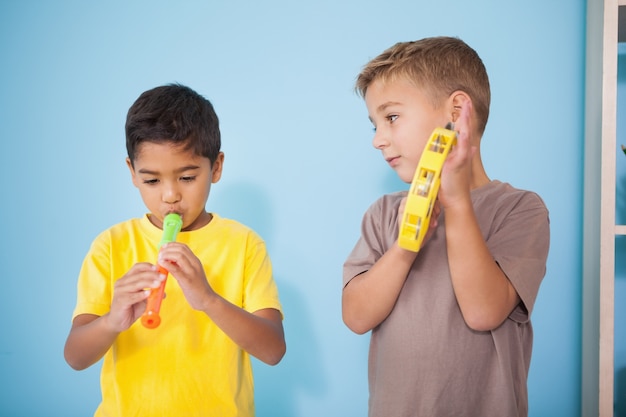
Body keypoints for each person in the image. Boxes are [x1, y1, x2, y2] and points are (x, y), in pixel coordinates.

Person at [342, 37, 550, 417]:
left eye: (391, 117)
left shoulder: (520, 209)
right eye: (374, 123)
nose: (377, 139)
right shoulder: (384, 215)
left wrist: (456, 203)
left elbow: (484, 312)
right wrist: (405, 247)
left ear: (456, 112)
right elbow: (356, 316)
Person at [64, 84, 286, 417]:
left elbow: (273, 350)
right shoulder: (111, 245)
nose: (169, 196)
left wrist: (208, 299)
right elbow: (75, 357)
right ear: (132, 174)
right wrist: (112, 320)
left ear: (217, 167)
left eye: (186, 177)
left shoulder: (243, 244)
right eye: (152, 181)